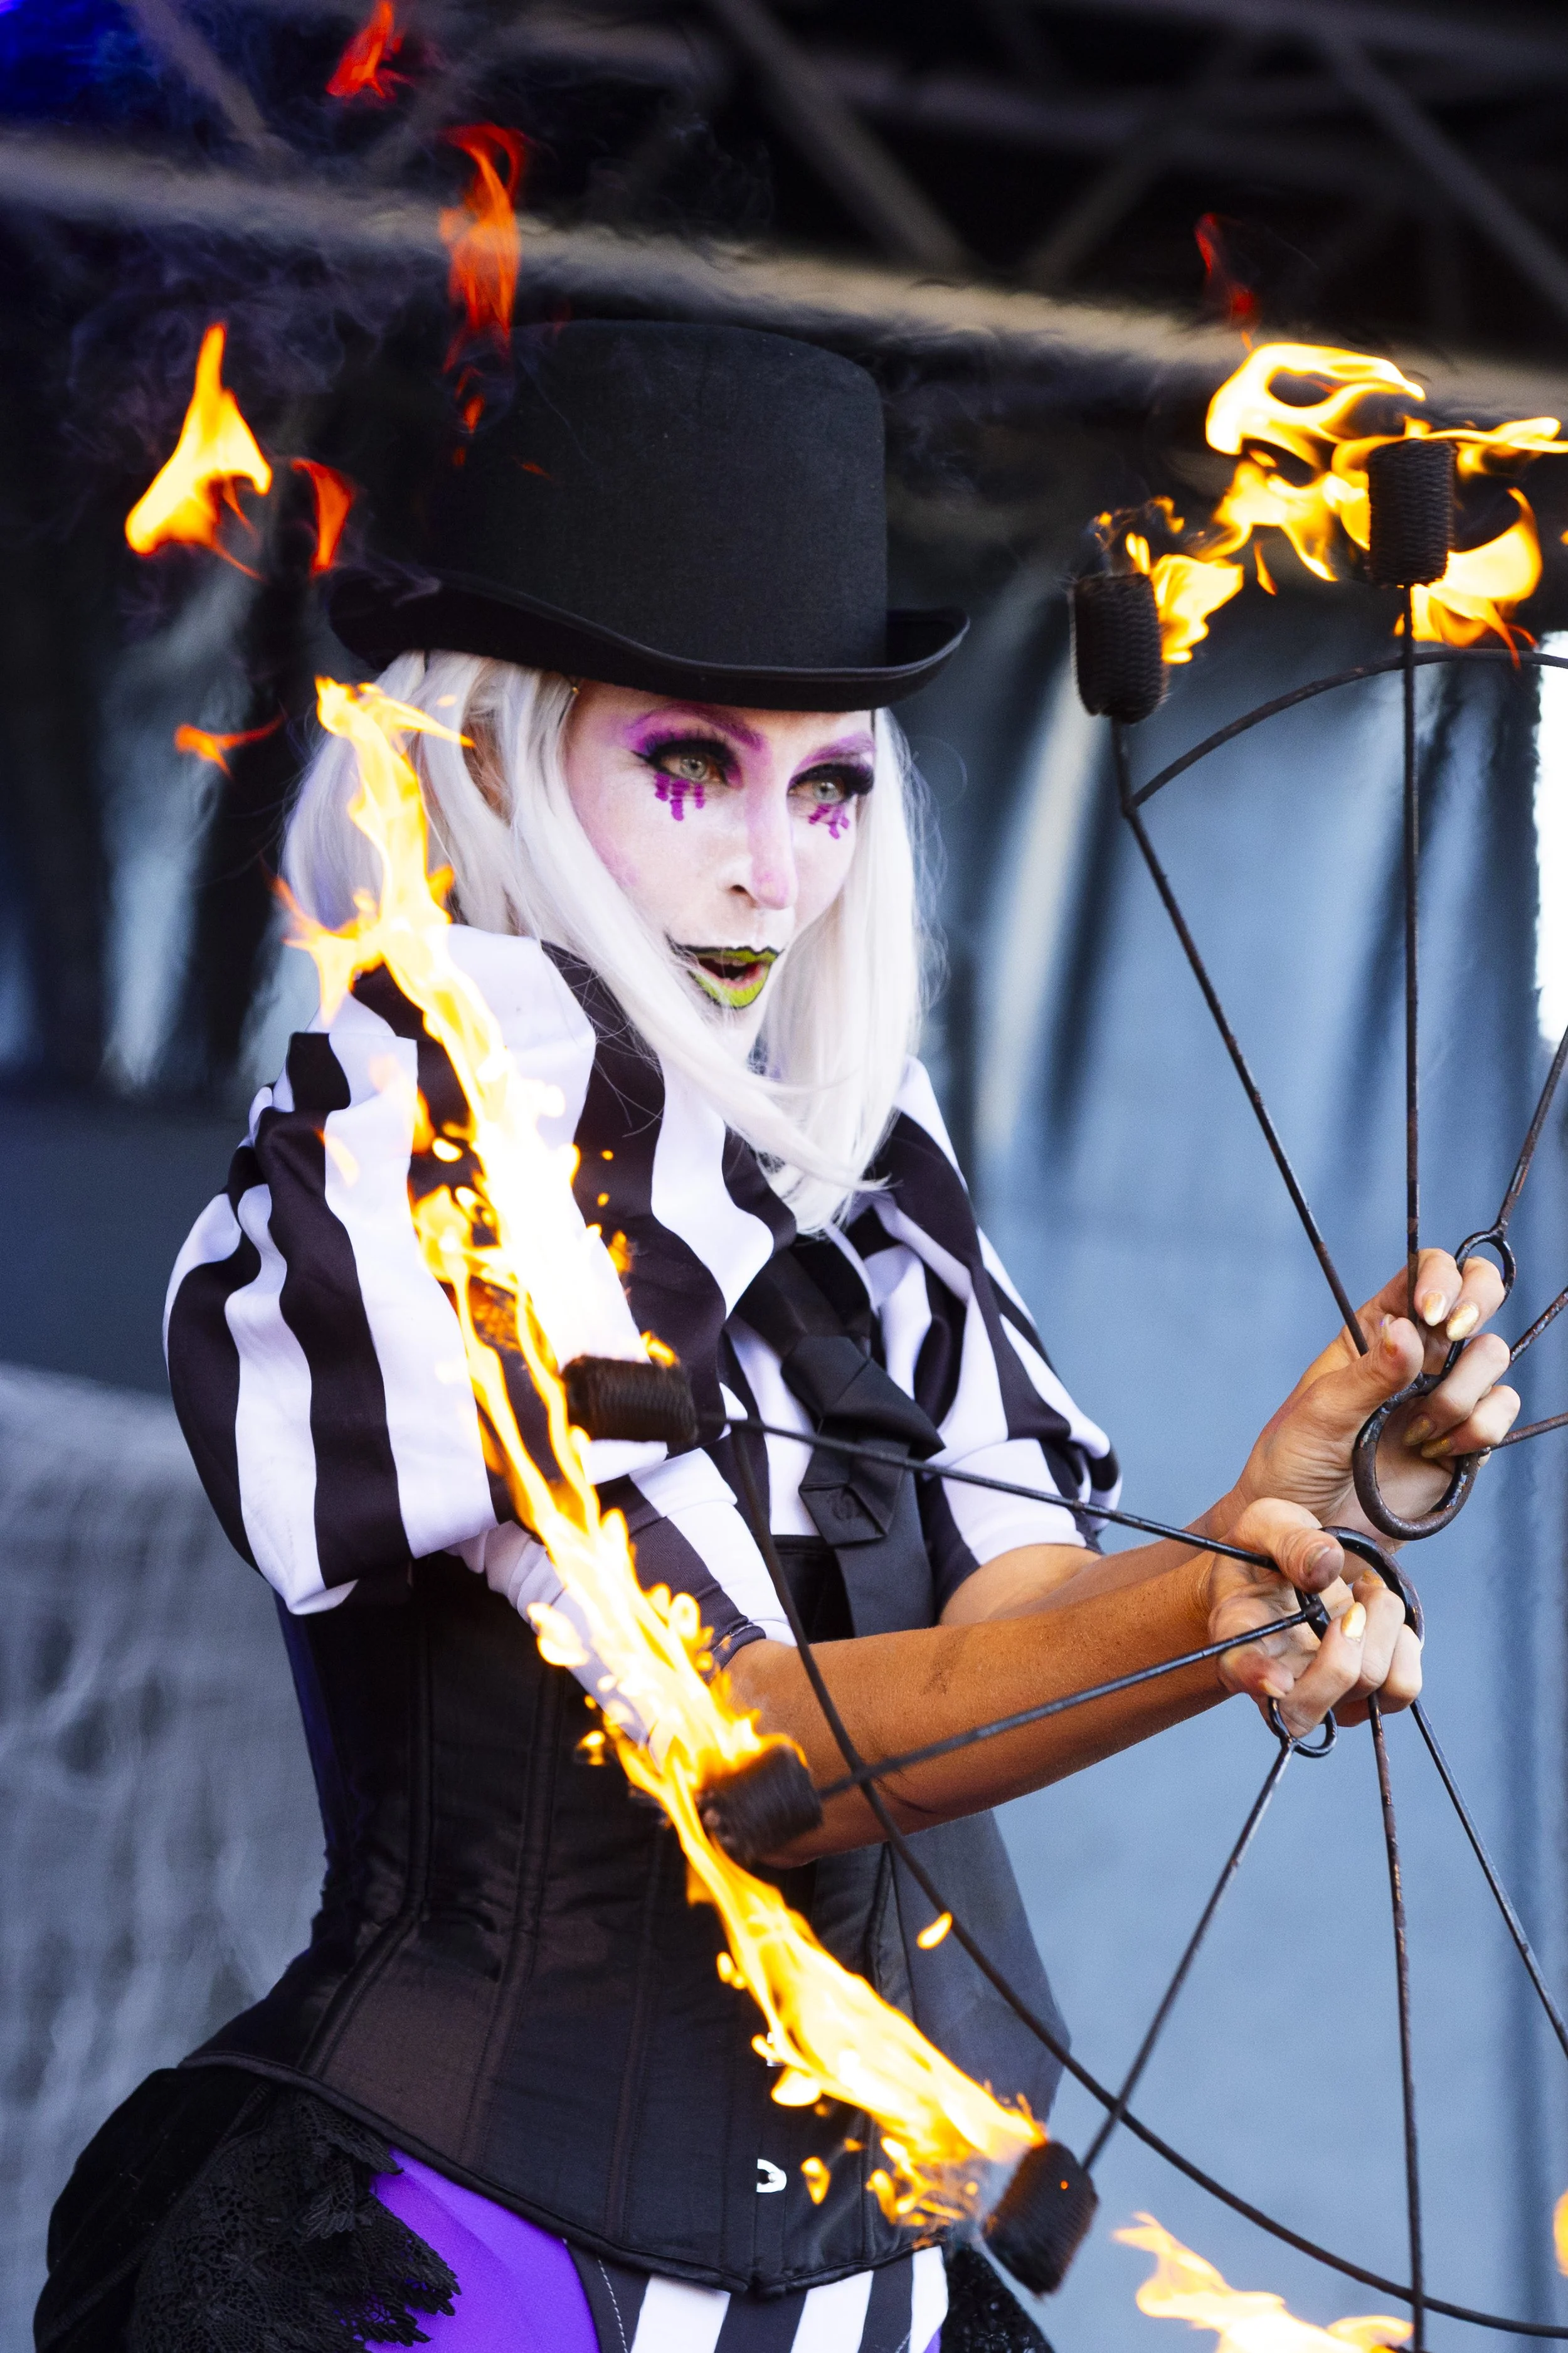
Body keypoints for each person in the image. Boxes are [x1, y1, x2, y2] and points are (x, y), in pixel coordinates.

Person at [36, 322, 1517, 2353]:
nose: (771, 865)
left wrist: (1270, 1518)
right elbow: (757, 1762)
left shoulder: (865, 1187)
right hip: (454, 2269)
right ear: (494, 752)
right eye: (685, 764)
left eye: (827, 784)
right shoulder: (392, 1181)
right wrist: (1205, 1609)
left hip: (869, 2287)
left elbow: (1006, 1643)